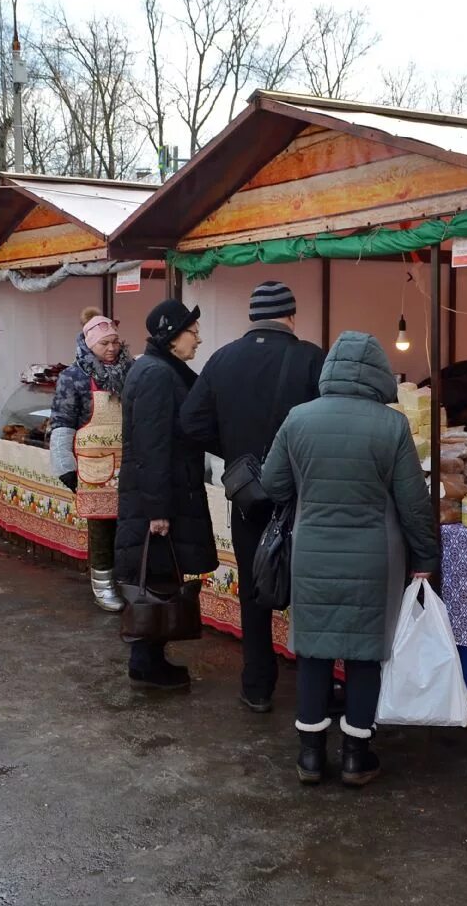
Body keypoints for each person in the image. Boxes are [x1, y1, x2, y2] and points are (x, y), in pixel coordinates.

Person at [260, 331, 438, 787]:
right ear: (379, 375)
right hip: (373, 560)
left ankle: (311, 757)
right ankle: (357, 755)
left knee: (315, 654)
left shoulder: (298, 419)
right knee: (364, 657)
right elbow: (413, 502)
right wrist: (425, 556)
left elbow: (273, 484)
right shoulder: (392, 426)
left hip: (312, 553)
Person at [180, 281, 325, 713]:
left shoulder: (222, 359)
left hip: (247, 495)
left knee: (254, 587)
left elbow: (191, 423)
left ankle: (258, 685)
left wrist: (237, 453)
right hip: (303, 496)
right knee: (308, 586)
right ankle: (313, 688)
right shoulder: (311, 358)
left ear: (252, 316)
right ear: (291, 315)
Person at [115, 299, 216, 690]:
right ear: (172, 336)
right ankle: (146, 663)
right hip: (157, 498)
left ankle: (150, 660)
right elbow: (152, 446)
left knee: (159, 577)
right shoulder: (157, 374)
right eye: (193, 332)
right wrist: (157, 509)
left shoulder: (157, 369)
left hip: (160, 494)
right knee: (154, 580)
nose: (199, 339)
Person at [50, 307, 134, 612]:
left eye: (115, 342)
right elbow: (61, 421)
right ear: (89, 345)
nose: (111, 348)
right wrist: (64, 465)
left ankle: (126, 580)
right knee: (101, 527)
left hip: (127, 463)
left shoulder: (131, 371)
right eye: (104, 344)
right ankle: (103, 584)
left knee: (128, 525)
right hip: (92, 467)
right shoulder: (73, 377)